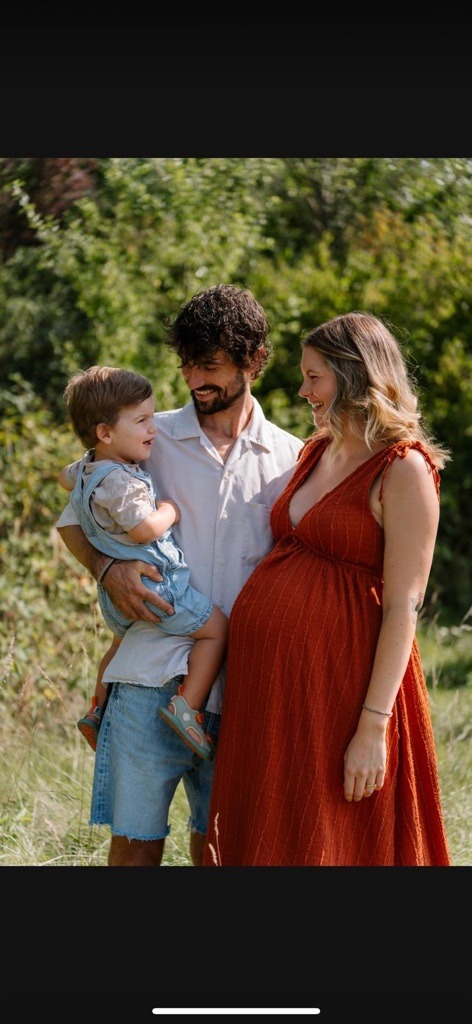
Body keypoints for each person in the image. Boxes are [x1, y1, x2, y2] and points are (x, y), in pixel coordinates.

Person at [56, 284, 304, 866]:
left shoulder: (293, 458)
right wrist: (108, 568)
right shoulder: (146, 436)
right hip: (148, 679)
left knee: (217, 851)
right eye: (187, 364)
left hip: (243, 691)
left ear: (253, 360)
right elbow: (71, 522)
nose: (194, 379)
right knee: (134, 848)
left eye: (209, 365)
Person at [203, 310, 452, 867]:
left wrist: (373, 726)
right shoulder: (317, 449)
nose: (303, 391)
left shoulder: (404, 469)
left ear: (354, 375)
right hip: (272, 692)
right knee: (271, 827)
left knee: (334, 835)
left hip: (343, 692)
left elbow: (404, 606)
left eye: (314, 377)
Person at [58, 365, 228, 760]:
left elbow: (65, 478)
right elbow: (143, 529)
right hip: (156, 586)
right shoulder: (122, 481)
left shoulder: (88, 468)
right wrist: (169, 510)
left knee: (118, 644)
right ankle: (188, 707)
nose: (153, 429)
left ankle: (97, 707)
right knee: (217, 631)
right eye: (142, 421)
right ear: (105, 433)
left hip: (115, 599)